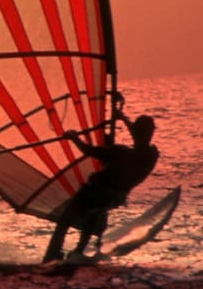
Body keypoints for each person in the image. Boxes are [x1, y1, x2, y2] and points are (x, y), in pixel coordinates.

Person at [43, 111, 158, 263]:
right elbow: (140, 138)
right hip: (115, 197)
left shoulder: (120, 153)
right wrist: (124, 119)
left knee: (64, 222)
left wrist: (74, 138)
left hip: (95, 192)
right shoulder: (151, 155)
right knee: (94, 215)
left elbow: (89, 150)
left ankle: (52, 255)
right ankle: (79, 251)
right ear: (151, 133)